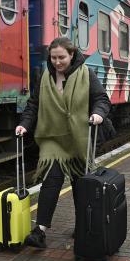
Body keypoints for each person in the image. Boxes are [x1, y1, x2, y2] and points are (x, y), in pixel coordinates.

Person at [15, 37, 110, 248]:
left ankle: (82, 226)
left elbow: (102, 99)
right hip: (52, 138)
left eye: (62, 57)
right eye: (53, 57)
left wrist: (98, 114)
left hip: (79, 138)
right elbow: (33, 105)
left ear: (72, 55)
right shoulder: (45, 77)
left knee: (80, 184)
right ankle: (39, 231)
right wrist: (24, 124)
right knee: (52, 179)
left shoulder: (87, 75)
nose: (57, 62)